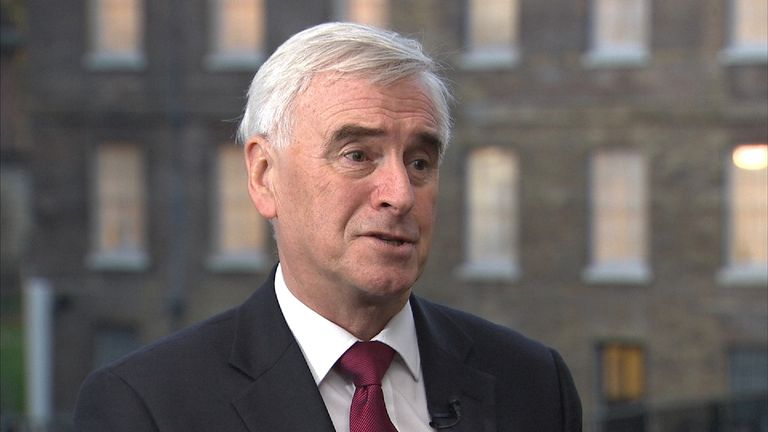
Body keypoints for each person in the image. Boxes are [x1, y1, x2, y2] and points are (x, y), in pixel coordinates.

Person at [74, 22, 582, 432]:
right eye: (357, 155)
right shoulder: (145, 406)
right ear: (264, 175)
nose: (400, 193)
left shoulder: (533, 384)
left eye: (421, 163)